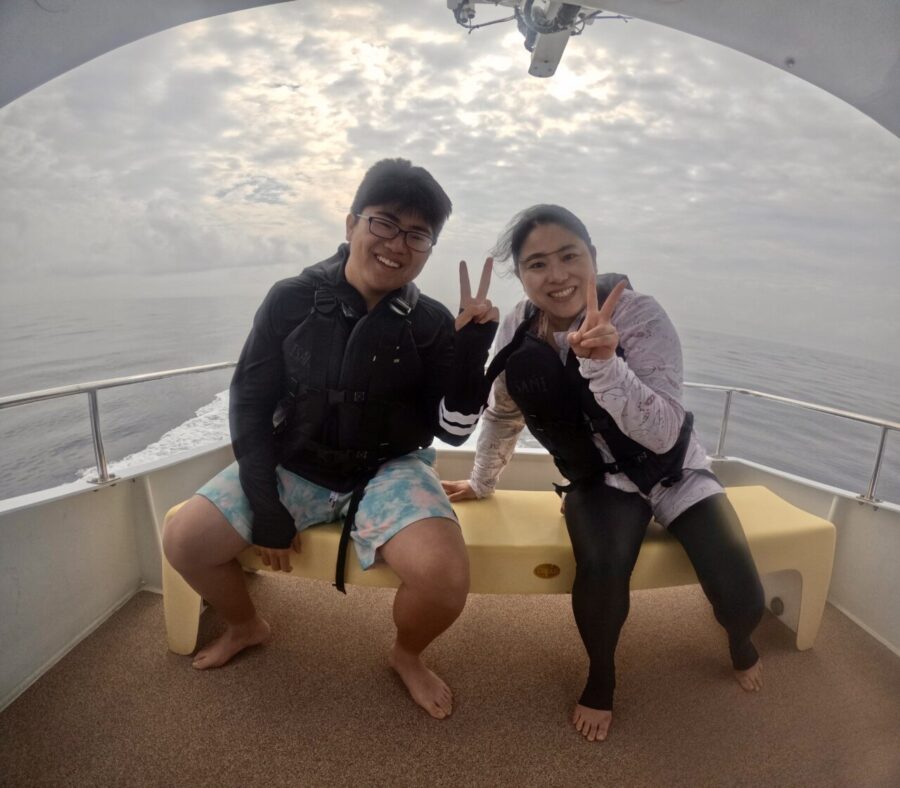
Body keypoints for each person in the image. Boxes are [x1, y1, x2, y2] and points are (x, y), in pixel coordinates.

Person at [163, 158, 498, 720]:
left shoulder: (432, 323)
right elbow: (249, 403)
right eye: (384, 222)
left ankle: (407, 654)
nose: (397, 244)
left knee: (443, 579)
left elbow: (453, 430)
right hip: (296, 459)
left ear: (429, 248)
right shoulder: (291, 299)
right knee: (184, 541)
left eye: (417, 234)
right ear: (351, 223)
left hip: (390, 467)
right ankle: (246, 626)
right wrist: (265, 504)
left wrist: (471, 353)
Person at [443, 204, 764, 741]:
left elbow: (663, 432)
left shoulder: (640, 316)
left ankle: (740, 640)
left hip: (674, 470)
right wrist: (482, 481)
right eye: (537, 264)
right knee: (602, 567)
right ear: (521, 275)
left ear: (593, 257)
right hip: (600, 480)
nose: (557, 275)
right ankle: (601, 677)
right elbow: (502, 412)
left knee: (742, 597)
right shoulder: (518, 327)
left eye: (569, 256)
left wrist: (606, 366)